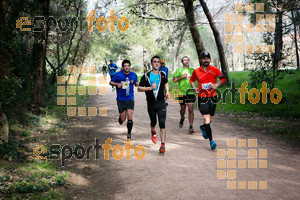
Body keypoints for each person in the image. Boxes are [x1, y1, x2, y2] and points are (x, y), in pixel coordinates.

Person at [190, 52, 226, 150]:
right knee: (207, 119)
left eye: (207, 58)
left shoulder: (215, 70)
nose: (206, 60)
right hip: (202, 97)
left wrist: (216, 85)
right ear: (201, 60)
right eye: (204, 58)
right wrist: (194, 88)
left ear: (210, 59)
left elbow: (223, 79)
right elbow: (192, 80)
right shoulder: (196, 71)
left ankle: (203, 127)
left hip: (213, 96)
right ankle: (211, 141)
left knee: (211, 119)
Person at [138, 56, 170, 153]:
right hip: (151, 103)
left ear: (160, 64)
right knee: (153, 122)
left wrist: (167, 92)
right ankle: (153, 131)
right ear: (151, 64)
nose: (156, 63)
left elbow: (166, 83)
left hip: (161, 103)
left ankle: (163, 145)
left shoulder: (163, 74)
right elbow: (139, 88)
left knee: (162, 123)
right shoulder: (146, 76)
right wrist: (150, 88)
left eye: (158, 62)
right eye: (154, 62)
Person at [109, 60, 139, 141]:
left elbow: (136, 82)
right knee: (123, 119)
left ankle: (129, 136)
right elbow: (110, 82)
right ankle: (120, 118)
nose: (126, 67)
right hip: (121, 99)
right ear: (122, 67)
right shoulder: (118, 75)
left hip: (130, 98)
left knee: (130, 116)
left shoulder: (134, 75)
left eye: (128, 65)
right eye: (125, 65)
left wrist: (137, 84)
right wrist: (116, 84)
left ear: (130, 66)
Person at [173, 56, 195, 134]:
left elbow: (198, 79)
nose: (186, 61)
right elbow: (174, 80)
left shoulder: (193, 70)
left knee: (190, 109)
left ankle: (191, 126)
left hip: (191, 92)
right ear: (182, 62)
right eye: (184, 60)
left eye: (187, 60)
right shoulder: (179, 70)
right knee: (183, 109)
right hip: (182, 93)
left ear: (189, 61)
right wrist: (182, 77)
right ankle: (182, 118)